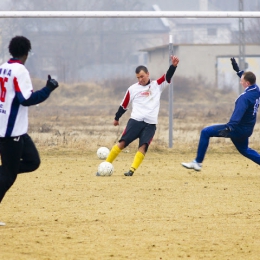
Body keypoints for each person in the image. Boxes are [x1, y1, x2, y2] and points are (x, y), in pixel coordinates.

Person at [0, 36, 59, 226]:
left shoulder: (3, 67)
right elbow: (26, 99)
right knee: (9, 175)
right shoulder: (20, 71)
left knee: (33, 161)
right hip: (10, 132)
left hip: (14, 128)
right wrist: (48, 88)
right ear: (27, 52)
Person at [97, 55, 179, 177]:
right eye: (138, 77)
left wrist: (173, 66)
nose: (140, 79)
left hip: (150, 124)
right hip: (135, 122)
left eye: (142, 76)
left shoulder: (157, 85)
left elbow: (167, 76)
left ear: (148, 74)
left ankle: (131, 171)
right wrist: (116, 118)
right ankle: (105, 165)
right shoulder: (132, 89)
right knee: (122, 143)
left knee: (143, 146)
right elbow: (124, 105)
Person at [181, 57, 260, 171]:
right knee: (245, 150)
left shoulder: (244, 98)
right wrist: (238, 70)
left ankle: (197, 162)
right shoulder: (256, 90)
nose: (240, 81)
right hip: (247, 129)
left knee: (205, 132)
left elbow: (238, 114)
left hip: (236, 129)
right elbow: (247, 78)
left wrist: (229, 128)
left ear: (246, 83)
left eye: (241, 80)